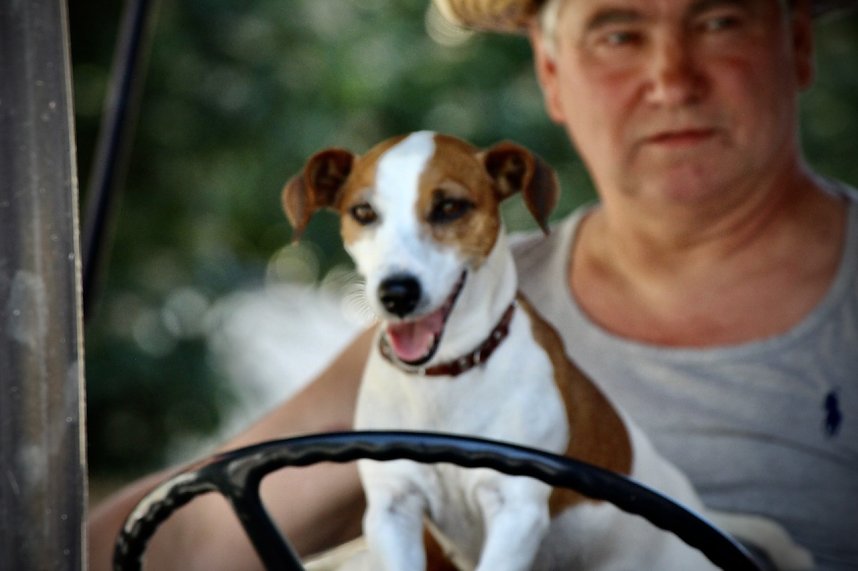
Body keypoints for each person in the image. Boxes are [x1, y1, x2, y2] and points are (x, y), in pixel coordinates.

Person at [88, 0, 858, 568]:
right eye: (618, 32)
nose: (670, 77)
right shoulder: (432, 321)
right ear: (553, 76)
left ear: (795, 44)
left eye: (719, 20)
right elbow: (198, 530)